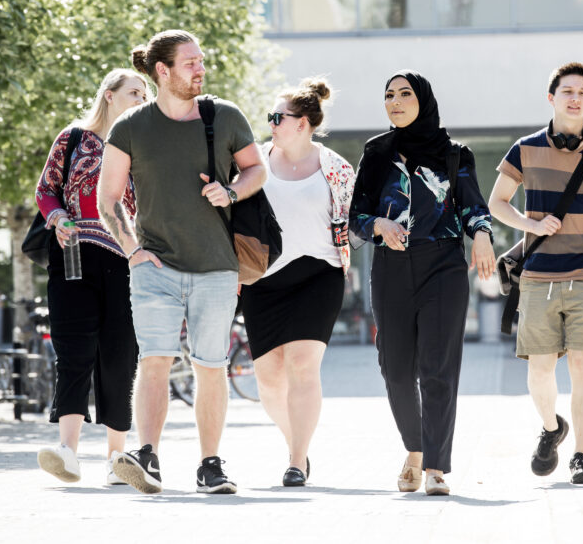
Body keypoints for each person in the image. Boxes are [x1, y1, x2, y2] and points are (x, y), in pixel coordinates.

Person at [98, 29, 266, 495]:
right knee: (154, 360)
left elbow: (257, 169)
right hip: (156, 267)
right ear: (162, 71)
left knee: (210, 366)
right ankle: (147, 456)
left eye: (201, 60)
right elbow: (108, 198)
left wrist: (230, 190)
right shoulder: (130, 126)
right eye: (190, 62)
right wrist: (133, 250)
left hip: (217, 266)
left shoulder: (224, 116)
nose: (200, 68)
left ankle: (210, 465)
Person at [348, 71, 495, 497]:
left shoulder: (454, 154)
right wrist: (377, 223)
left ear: (423, 100)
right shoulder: (376, 153)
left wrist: (482, 236)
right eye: (388, 95)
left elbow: (473, 207)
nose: (394, 101)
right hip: (391, 268)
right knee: (395, 370)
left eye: (404, 94)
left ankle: (435, 466)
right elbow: (355, 215)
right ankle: (414, 449)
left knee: (438, 367)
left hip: (443, 266)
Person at [488, 61, 583, 485]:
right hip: (537, 275)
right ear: (551, 97)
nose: (575, 98)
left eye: (582, 92)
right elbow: (497, 202)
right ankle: (552, 428)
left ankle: (582, 456)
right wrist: (531, 225)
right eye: (567, 91)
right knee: (539, 370)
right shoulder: (525, 148)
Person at [238, 77, 356, 487]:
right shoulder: (253, 162)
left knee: (303, 366)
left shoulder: (336, 168)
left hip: (318, 274)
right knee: (269, 378)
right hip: (262, 279)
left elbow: (351, 219)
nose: (271, 123)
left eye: (278, 117)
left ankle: (295, 459)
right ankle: (298, 449)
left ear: (303, 122)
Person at [34, 68, 148, 485]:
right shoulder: (73, 138)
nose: (140, 99)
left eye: (144, 94)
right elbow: (46, 190)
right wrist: (58, 216)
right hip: (72, 256)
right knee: (74, 351)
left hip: (126, 261)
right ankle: (67, 452)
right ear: (109, 95)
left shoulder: (143, 145)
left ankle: (118, 460)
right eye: (134, 92)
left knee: (121, 355)